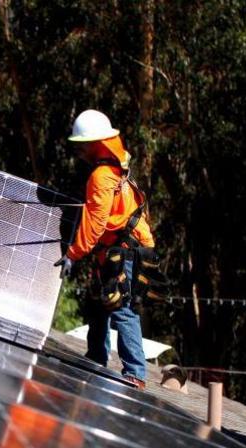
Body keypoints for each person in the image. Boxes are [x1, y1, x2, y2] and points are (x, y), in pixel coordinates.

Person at [54, 110, 155, 388]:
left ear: (97, 143)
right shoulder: (116, 166)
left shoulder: (101, 176)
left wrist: (73, 254)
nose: (80, 151)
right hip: (125, 246)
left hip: (123, 250)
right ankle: (96, 356)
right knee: (101, 302)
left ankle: (135, 372)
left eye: (83, 144)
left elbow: (96, 223)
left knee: (121, 306)